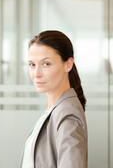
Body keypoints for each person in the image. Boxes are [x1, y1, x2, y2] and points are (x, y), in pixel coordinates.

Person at [21, 30, 88, 168]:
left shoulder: (68, 116)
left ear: (68, 65)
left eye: (46, 64)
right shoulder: (55, 109)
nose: (36, 74)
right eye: (32, 64)